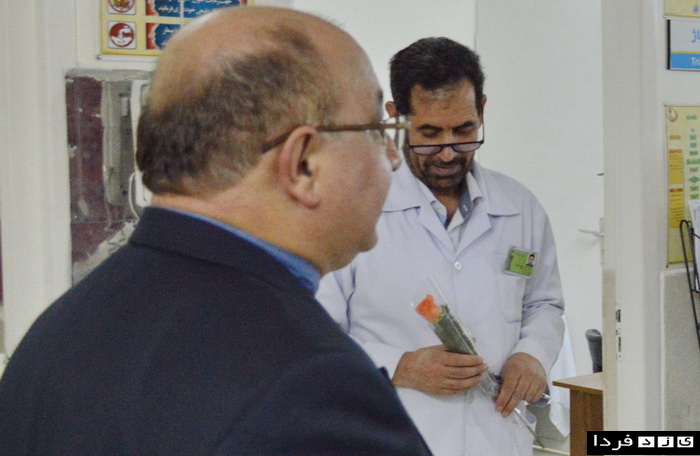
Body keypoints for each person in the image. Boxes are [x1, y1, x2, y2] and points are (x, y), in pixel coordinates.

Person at [0, 7, 432, 455]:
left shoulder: (57, 335)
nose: (393, 157)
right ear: (303, 163)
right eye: (378, 130)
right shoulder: (310, 383)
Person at [316, 37, 565, 456]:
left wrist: (532, 355)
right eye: (429, 134)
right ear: (394, 117)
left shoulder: (519, 207)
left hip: (496, 437)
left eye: (464, 131)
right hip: (390, 435)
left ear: (482, 111)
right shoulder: (350, 209)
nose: (448, 152)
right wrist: (402, 366)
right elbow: (317, 334)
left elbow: (544, 303)